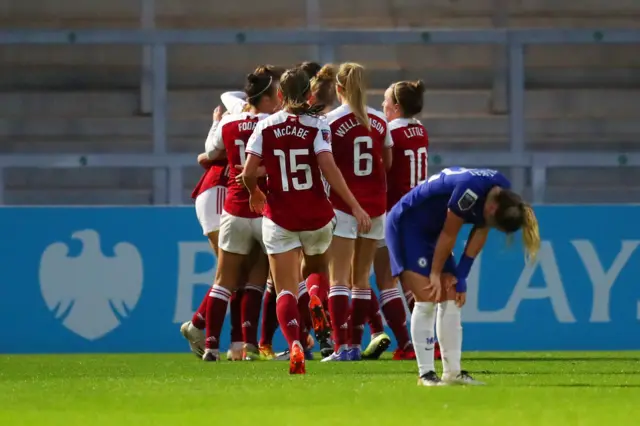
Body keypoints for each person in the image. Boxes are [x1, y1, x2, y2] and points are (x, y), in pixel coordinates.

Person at [242, 67, 371, 374]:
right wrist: (354, 205)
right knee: (315, 271)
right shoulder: (319, 125)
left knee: (285, 288)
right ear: (310, 94)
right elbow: (329, 168)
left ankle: (296, 343)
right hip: (317, 216)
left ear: (281, 95)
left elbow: (248, 172)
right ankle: (315, 297)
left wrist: (254, 192)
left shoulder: (265, 126)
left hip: (280, 217)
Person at [386, 167, 540, 385]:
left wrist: (462, 276)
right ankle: (426, 374)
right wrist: (435, 273)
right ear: (493, 207)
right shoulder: (470, 192)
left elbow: (480, 232)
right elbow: (450, 233)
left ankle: (452, 373)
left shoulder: (500, 192)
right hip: (408, 224)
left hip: (433, 232)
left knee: (451, 296)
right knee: (427, 297)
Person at [197, 66, 282, 362]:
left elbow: (210, 151)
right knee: (256, 280)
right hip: (264, 210)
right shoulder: (274, 123)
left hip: (233, 208)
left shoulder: (229, 123)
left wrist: (216, 123)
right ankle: (244, 347)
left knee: (223, 280)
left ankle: (210, 346)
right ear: (270, 98)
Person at [323, 62, 393, 362]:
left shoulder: (330, 122)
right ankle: (354, 341)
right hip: (376, 206)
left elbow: (325, 166)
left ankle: (342, 347)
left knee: (338, 279)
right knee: (362, 280)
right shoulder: (379, 121)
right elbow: (386, 163)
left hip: (343, 205)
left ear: (338, 89)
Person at [365, 80, 429, 361]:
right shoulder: (420, 130)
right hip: (420, 211)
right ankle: (428, 341)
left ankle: (406, 344)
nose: (382, 106)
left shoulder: (390, 132)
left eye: (386, 101)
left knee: (386, 280)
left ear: (397, 107)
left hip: (395, 212)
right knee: (412, 281)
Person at [180, 106, 229, 358]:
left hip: (215, 191)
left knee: (232, 272)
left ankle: (198, 326)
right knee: (230, 271)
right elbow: (206, 156)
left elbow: (205, 156)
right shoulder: (248, 121)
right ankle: (200, 327)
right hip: (219, 190)